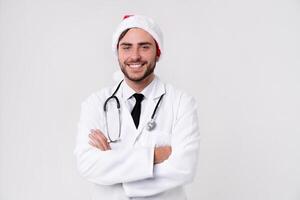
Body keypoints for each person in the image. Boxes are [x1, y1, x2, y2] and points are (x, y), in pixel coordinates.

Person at [74, 15, 200, 200]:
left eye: (144, 47)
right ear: (117, 52)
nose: (135, 56)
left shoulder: (181, 103)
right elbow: (87, 164)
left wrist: (115, 171)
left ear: (158, 52)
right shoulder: (95, 104)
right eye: (126, 47)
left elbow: (184, 168)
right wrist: (154, 156)